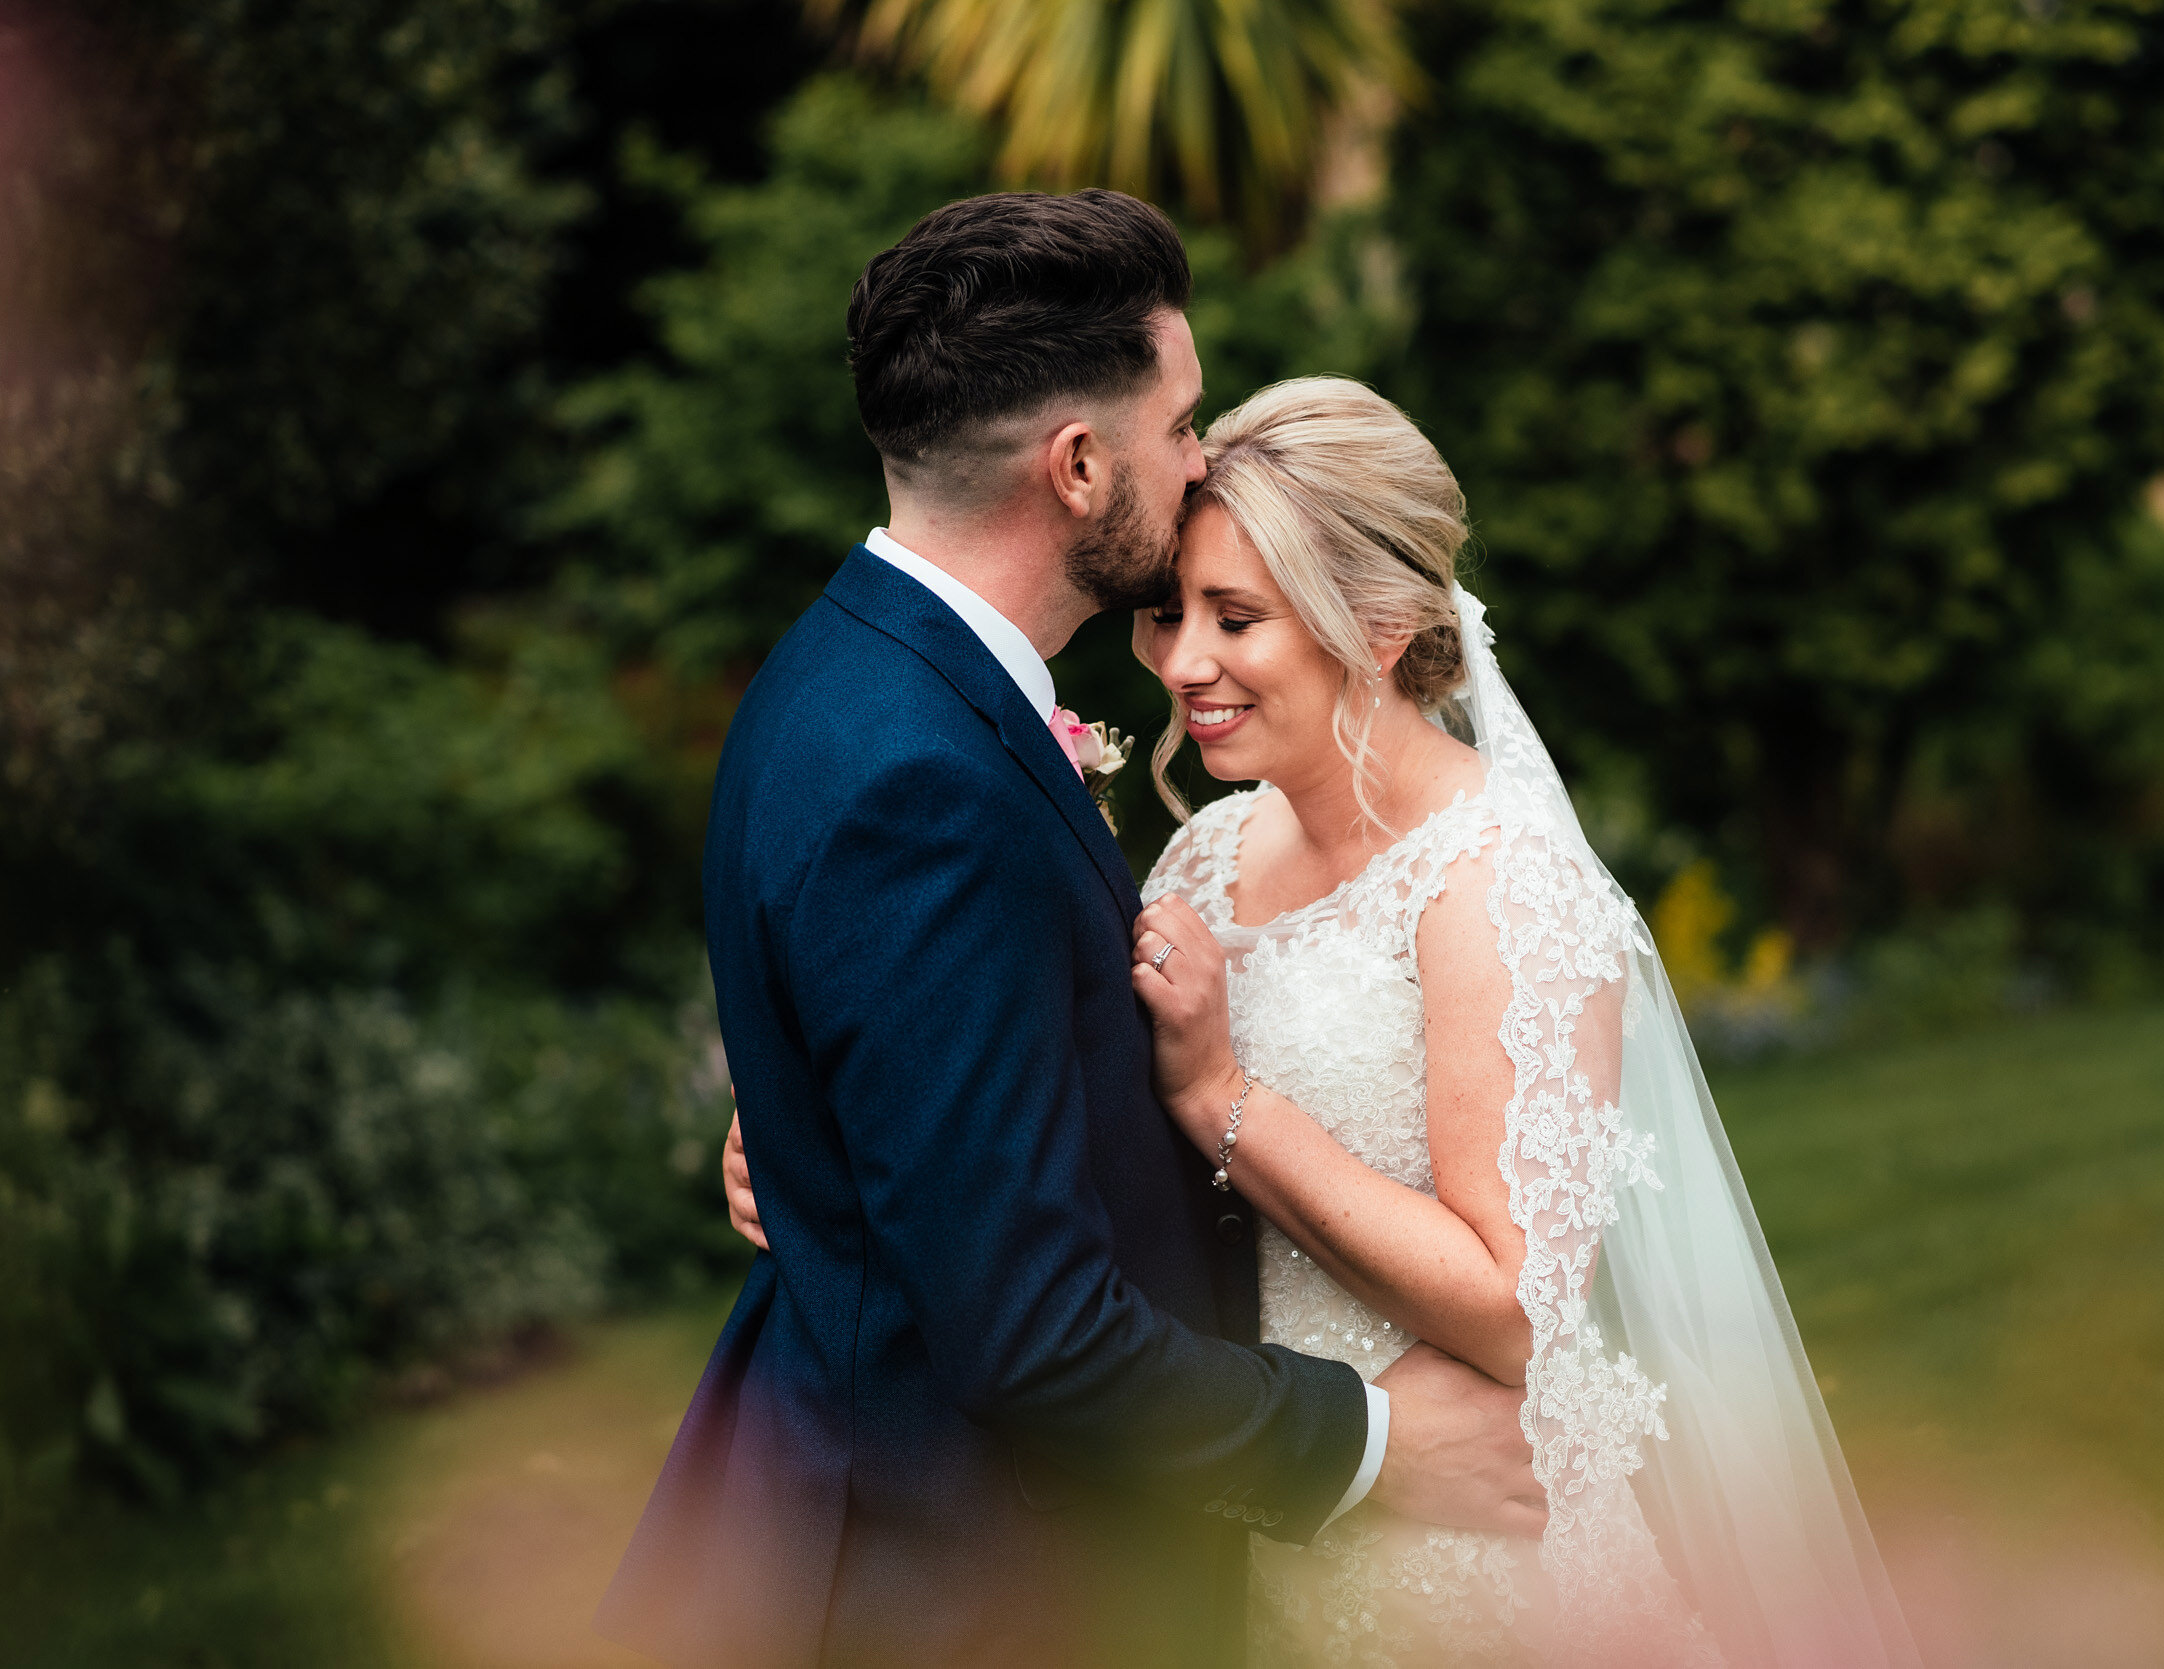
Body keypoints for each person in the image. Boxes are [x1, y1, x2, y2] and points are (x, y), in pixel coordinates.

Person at [598, 194, 1545, 1669]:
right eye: (1180, 422)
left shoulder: (845, 674)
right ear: (1081, 465)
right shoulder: (921, 770)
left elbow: (968, 1068)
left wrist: (832, 1144)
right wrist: (1362, 1442)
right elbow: (1030, 1330)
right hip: (974, 1587)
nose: (1199, 455)